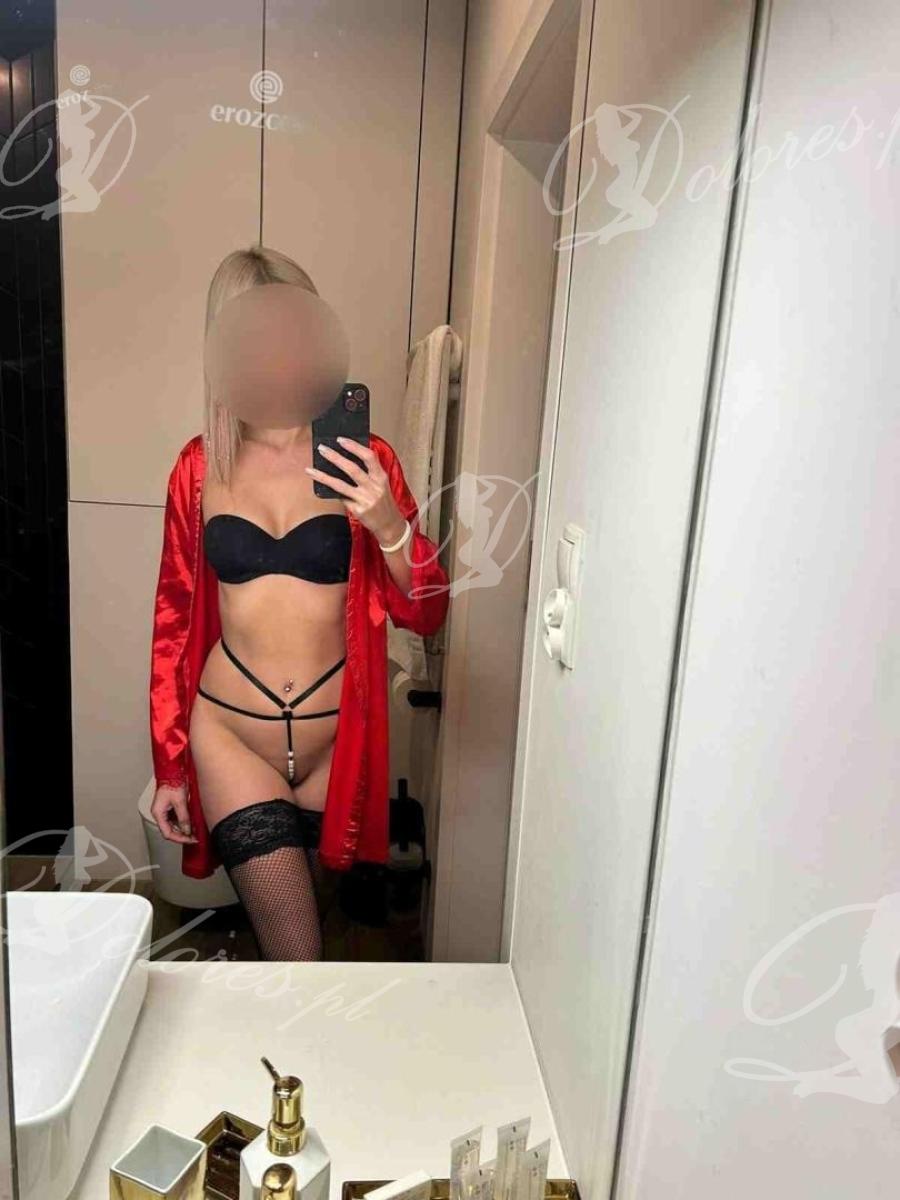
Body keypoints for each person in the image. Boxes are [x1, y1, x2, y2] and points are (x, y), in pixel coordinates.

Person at [149, 245, 449, 960]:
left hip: (336, 742)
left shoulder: (364, 459)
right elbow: (173, 621)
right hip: (232, 735)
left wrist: (389, 525)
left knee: (312, 938)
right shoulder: (200, 466)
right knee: (299, 953)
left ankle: (270, 1027)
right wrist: (170, 763)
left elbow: (427, 612)